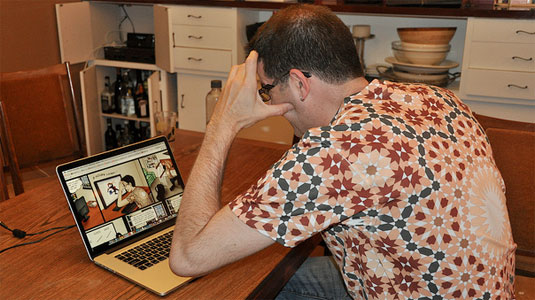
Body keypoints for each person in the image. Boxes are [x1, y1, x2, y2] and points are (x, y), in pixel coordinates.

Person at [169, 4, 516, 299]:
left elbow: (187, 257)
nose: (268, 101)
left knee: (236, 285)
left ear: (300, 84)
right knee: (274, 272)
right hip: (474, 288)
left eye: (267, 90)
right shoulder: (437, 98)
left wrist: (221, 124)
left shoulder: (337, 153)